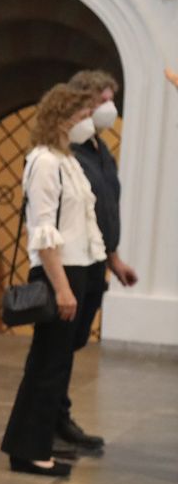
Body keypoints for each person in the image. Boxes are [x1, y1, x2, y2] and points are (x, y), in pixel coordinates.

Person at [1, 84, 107, 477]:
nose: (86, 123)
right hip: (56, 271)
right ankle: (28, 452)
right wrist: (62, 287)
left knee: (57, 366)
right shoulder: (44, 161)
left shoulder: (67, 160)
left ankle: (35, 444)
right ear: (60, 119)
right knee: (46, 366)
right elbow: (43, 230)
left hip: (76, 268)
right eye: (79, 116)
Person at [62, 69, 138, 453]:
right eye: (103, 99)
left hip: (95, 261)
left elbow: (104, 208)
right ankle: (55, 418)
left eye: (112, 99)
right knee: (60, 346)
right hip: (72, 262)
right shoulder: (67, 151)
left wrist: (115, 259)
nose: (110, 107)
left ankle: (59, 414)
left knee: (72, 345)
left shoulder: (99, 148)